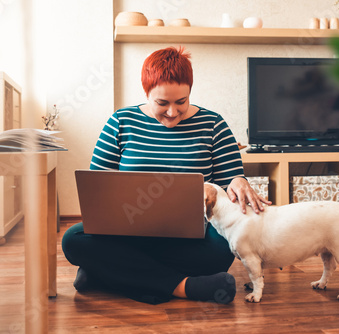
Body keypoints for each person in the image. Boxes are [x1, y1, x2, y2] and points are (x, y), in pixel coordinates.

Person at [62, 46, 271, 305]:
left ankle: (106, 273)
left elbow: (232, 186)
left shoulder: (214, 125)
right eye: (162, 103)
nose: (172, 112)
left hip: (193, 239)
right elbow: (97, 191)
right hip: (129, 236)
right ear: (147, 93)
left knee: (222, 250)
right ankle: (186, 287)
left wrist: (239, 181)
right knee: (73, 240)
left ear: (189, 93)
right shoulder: (120, 122)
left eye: (181, 102)